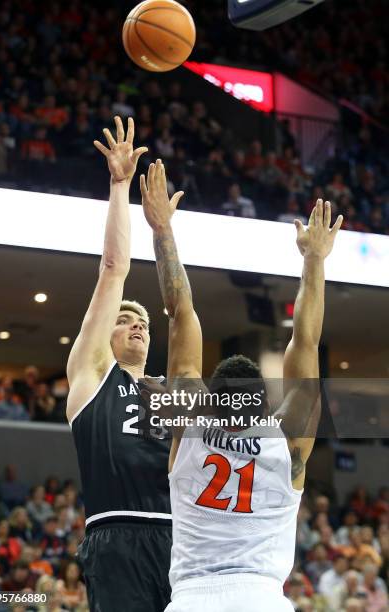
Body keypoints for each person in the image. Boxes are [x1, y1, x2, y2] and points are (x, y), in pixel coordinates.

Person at [141, 179, 342, 611]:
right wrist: (314, 259)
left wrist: (161, 228)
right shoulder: (288, 440)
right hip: (262, 598)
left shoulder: (189, 422)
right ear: (267, 405)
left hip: (193, 597)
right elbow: (305, 342)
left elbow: (180, 313)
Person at [66, 117, 173, 612]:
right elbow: (114, 269)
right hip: (117, 537)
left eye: (143, 324)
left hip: (182, 540)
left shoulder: (170, 393)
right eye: (125, 320)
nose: (136, 326)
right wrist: (120, 184)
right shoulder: (93, 378)